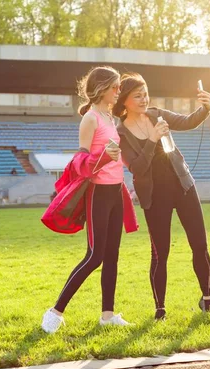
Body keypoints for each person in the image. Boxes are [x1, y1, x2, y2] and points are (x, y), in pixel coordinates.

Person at [113, 72, 210, 321]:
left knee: (199, 244)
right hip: (154, 197)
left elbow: (188, 121)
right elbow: (136, 167)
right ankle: (160, 309)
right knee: (160, 253)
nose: (144, 99)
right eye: (137, 96)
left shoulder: (157, 114)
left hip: (183, 186)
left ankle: (208, 298)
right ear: (124, 101)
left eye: (145, 93)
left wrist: (206, 109)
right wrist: (152, 139)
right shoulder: (121, 133)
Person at [41, 66, 131, 333]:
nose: (118, 91)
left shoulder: (110, 117)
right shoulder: (90, 119)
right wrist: (105, 157)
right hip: (98, 193)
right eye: (115, 87)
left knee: (112, 256)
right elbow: (80, 162)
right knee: (95, 256)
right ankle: (55, 312)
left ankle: (107, 315)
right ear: (102, 88)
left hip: (116, 191)